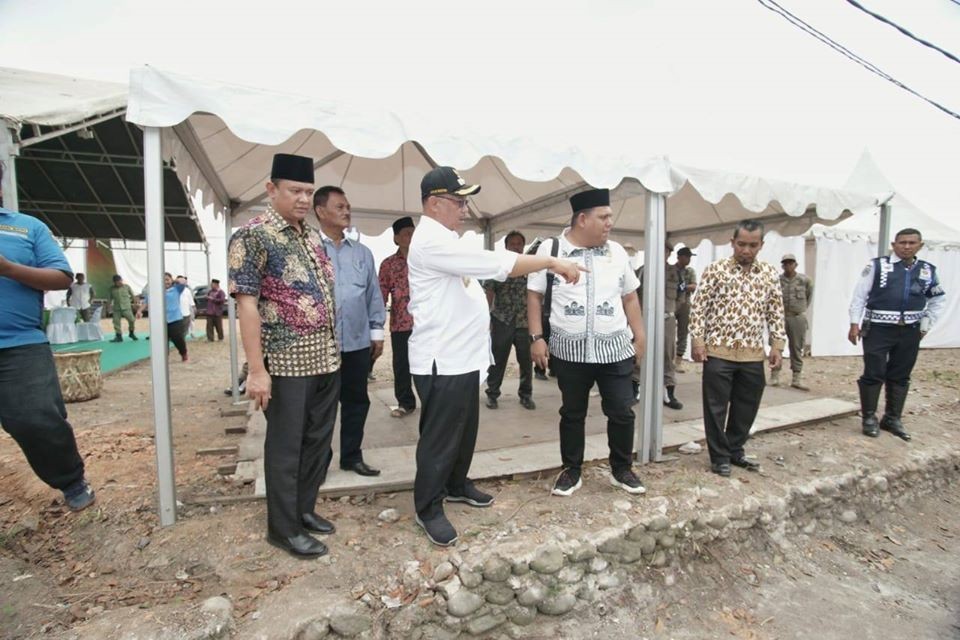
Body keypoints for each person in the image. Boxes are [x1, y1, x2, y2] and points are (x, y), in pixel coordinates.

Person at [409, 166, 581, 546]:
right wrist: (551, 261)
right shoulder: (431, 241)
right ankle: (429, 507)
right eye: (458, 201)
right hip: (443, 359)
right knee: (439, 437)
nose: (465, 209)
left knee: (464, 431)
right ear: (435, 204)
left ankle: (456, 484)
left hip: (464, 359)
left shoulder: (448, 239)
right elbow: (498, 265)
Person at [228, 153, 338, 558]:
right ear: (271, 189)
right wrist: (257, 370)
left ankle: (303, 510)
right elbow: (247, 305)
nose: (304, 199)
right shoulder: (252, 235)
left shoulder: (310, 235)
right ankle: (282, 528)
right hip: (287, 361)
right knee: (286, 446)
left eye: (309, 192)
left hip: (326, 357)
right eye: (295, 191)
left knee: (318, 444)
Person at [528, 188, 648, 498]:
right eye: (604, 217)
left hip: (614, 349)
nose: (610, 222)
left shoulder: (618, 252)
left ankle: (622, 469)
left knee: (622, 411)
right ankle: (571, 470)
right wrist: (537, 338)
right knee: (572, 412)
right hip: (570, 351)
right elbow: (534, 294)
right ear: (583, 219)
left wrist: (640, 334)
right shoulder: (552, 250)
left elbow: (630, 296)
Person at [0, 165, 96, 512]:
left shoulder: (26, 228)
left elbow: (60, 277)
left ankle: (71, 480)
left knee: (37, 418)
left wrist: (9, 269)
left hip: (18, 345)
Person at [689, 219, 785, 477]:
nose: (746, 250)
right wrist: (697, 341)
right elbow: (699, 307)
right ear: (732, 243)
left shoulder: (768, 274)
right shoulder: (716, 270)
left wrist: (777, 344)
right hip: (718, 351)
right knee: (716, 407)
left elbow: (776, 311)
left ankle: (734, 449)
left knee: (747, 406)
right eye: (741, 244)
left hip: (753, 352)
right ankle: (719, 456)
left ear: (761, 245)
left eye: (752, 245)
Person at [314, 185, 386, 477]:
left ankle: (352, 457)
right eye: (339, 207)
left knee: (356, 402)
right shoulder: (309, 250)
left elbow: (372, 294)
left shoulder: (363, 253)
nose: (347, 211)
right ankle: (318, 462)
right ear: (321, 211)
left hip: (356, 343)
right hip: (319, 345)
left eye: (347, 206)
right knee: (320, 407)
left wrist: (377, 332)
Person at [849, 228, 945, 441]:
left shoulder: (927, 270)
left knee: (901, 375)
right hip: (878, 328)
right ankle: (869, 418)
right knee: (874, 371)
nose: (907, 246)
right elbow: (859, 295)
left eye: (912, 243)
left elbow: (937, 299)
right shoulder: (877, 266)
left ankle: (892, 418)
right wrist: (854, 323)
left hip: (910, 330)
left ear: (920, 245)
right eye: (902, 242)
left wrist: (925, 325)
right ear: (894, 245)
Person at [484, 230, 536, 410]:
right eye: (512, 244)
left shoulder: (530, 267)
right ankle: (492, 394)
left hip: (524, 322)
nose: (516, 246)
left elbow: (536, 295)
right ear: (506, 246)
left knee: (526, 361)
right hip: (502, 320)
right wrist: (486, 317)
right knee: (498, 360)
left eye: (519, 244)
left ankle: (526, 395)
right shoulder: (498, 266)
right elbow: (489, 291)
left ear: (523, 246)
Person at [634, 243, 683, 410]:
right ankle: (636, 388)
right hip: (644, 320)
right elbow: (632, 294)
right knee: (640, 352)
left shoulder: (676, 273)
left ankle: (668, 393)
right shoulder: (642, 271)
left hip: (666, 320)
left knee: (668, 354)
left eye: (666, 251)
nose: (662, 254)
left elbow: (681, 295)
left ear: (669, 254)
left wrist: (673, 311)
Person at [379, 216, 417, 418]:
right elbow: (381, 294)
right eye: (406, 234)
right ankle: (405, 402)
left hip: (426, 323)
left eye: (413, 233)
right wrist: (376, 325)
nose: (411, 237)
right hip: (401, 323)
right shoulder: (388, 264)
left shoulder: (425, 260)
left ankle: (431, 400)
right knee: (402, 364)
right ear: (396, 238)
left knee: (427, 363)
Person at [771, 254, 813, 390]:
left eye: (791, 263)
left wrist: (799, 310)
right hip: (781, 317)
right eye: (785, 263)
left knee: (796, 347)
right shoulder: (777, 281)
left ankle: (796, 378)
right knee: (776, 346)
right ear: (782, 266)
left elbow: (808, 296)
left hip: (797, 317)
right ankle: (774, 375)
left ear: (796, 264)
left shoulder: (804, 280)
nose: (788, 266)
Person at [139, 273, 189, 362]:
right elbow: (146, 302)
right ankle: (164, 358)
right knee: (162, 340)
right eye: (163, 280)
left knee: (177, 338)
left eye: (167, 279)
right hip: (161, 320)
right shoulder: (155, 292)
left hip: (175, 319)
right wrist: (139, 311)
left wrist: (173, 280)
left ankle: (183, 353)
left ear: (171, 280)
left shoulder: (177, 289)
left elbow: (183, 281)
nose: (166, 282)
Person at [674, 246, 697, 371]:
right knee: (668, 332)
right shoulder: (671, 270)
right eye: (686, 257)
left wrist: (683, 287)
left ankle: (678, 359)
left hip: (685, 303)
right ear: (680, 257)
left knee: (683, 332)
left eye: (689, 257)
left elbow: (693, 286)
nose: (688, 259)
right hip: (672, 302)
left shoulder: (690, 271)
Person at [108, 274, 138, 342]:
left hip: (126, 307)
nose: (118, 283)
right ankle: (118, 336)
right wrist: (108, 308)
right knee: (116, 322)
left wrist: (135, 304)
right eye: (116, 282)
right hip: (117, 308)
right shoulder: (111, 289)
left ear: (121, 280)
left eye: (119, 281)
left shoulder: (127, 287)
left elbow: (133, 296)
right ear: (114, 282)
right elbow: (109, 299)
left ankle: (131, 333)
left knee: (132, 320)